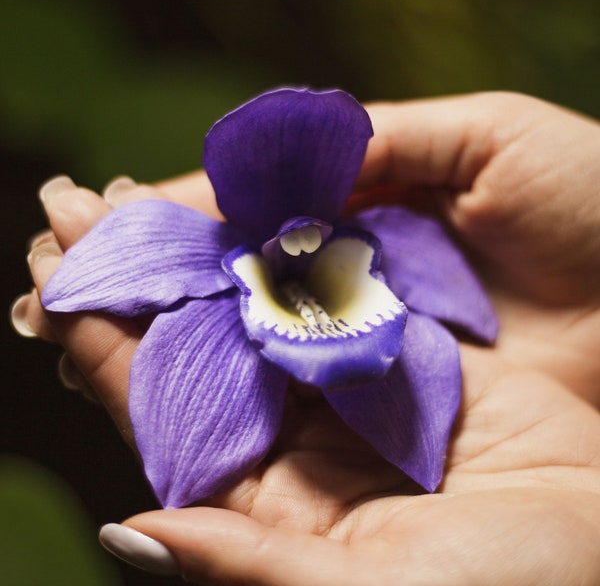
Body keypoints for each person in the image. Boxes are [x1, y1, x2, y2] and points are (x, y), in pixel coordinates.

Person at [11, 91, 600, 585]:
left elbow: (469, 305)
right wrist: (72, 289)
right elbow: (74, 287)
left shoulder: (403, 250)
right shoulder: (176, 249)